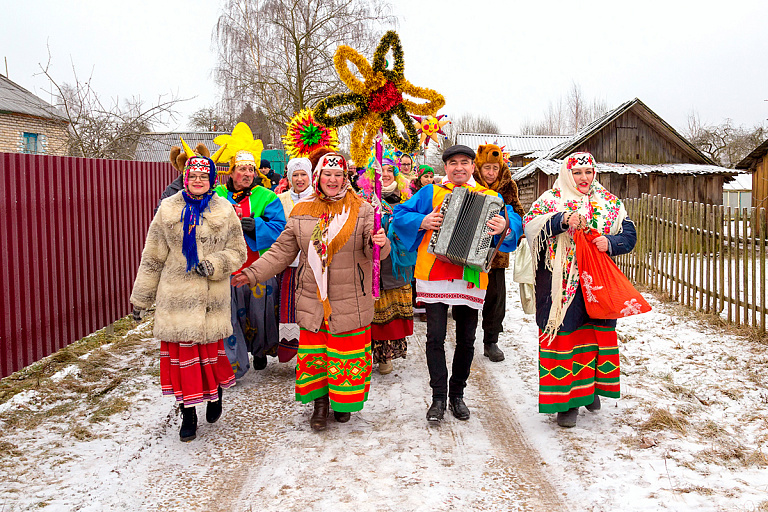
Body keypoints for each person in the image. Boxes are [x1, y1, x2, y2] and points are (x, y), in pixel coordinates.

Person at [232, 151, 389, 431]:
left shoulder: (363, 209)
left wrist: (379, 242)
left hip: (350, 296)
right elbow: (281, 251)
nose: (332, 180)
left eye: (338, 174)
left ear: (345, 178)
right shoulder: (302, 211)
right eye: (327, 174)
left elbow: (373, 251)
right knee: (317, 354)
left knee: (345, 354)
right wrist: (252, 273)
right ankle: (320, 404)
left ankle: (342, 404)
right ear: (318, 177)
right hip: (312, 296)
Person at [392, 145, 523, 423]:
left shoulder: (491, 197)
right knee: (435, 337)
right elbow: (400, 215)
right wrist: (422, 220)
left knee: (466, 339)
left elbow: (514, 227)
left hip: (470, 275)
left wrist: (505, 227)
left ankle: (457, 395)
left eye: (465, 162)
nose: (459, 167)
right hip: (434, 272)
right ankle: (438, 397)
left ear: (472, 166)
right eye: (453, 163)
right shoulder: (432, 192)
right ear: (446, 168)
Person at [131, 151, 247, 442]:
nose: (197, 180)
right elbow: (153, 257)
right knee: (183, 365)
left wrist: (215, 264)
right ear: (185, 177)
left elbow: (238, 252)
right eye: (192, 176)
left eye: (203, 176)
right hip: (176, 298)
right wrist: (141, 299)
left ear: (211, 180)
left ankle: (215, 394)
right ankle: (188, 415)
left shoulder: (224, 209)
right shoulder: (168, 208)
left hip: (211, 300)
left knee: (209, 360)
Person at [523, 151, 636, 428]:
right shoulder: (551, 200)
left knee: (596, 335)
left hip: (596, 282)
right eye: (577, 172)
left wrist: (610, 243)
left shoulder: (610, 203)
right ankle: (567, 402)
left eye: (588, 172)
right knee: (564, 335)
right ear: (567, 174)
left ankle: (591, 389)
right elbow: (530, 228)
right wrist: (562, 220)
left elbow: (629, 236)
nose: (584, 178)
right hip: (559, 282)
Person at [214, 150, 286, 376]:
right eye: (242, 169)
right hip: (226, 270)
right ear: (231, 172)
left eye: (251, 170)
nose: (247, 174)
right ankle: (234, 361)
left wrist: (256, 226)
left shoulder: (267, 197)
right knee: (231, 319)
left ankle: (260, 351)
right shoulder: (216, 194)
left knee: (260, 315)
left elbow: (280, 228)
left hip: (258, 268)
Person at [357, 151, 415, 375]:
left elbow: (413, 229)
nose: (386, 175)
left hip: (396, 264)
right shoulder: (362, 199)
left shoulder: (406, 199)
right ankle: (366, 354)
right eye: (381, 170)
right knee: (370, 311)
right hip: (368, 264)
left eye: (391, 170)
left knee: (391, 313)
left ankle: (386, 356)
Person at [472, 144, 525, 362]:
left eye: (495, 168)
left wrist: (513, 227)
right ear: (479, 168)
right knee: (468, 297)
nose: (491, 173)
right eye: (487, 168)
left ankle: (490, 340)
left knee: (495, 299)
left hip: (497, 256)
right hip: (470, 252)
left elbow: (519, 213)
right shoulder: (470, 184)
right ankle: (463, 335)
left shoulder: (508, 186)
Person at [275, 157, 314, 362]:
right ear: (289, 178)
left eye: (303, 174)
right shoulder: (280, 200)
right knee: (289, 307)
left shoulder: (318, 199)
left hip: (312, 264)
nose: (299, 179)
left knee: (309, 308)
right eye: (295, 175)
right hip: (289, 263)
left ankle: (309, 353)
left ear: (310, 176)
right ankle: (291, 348)